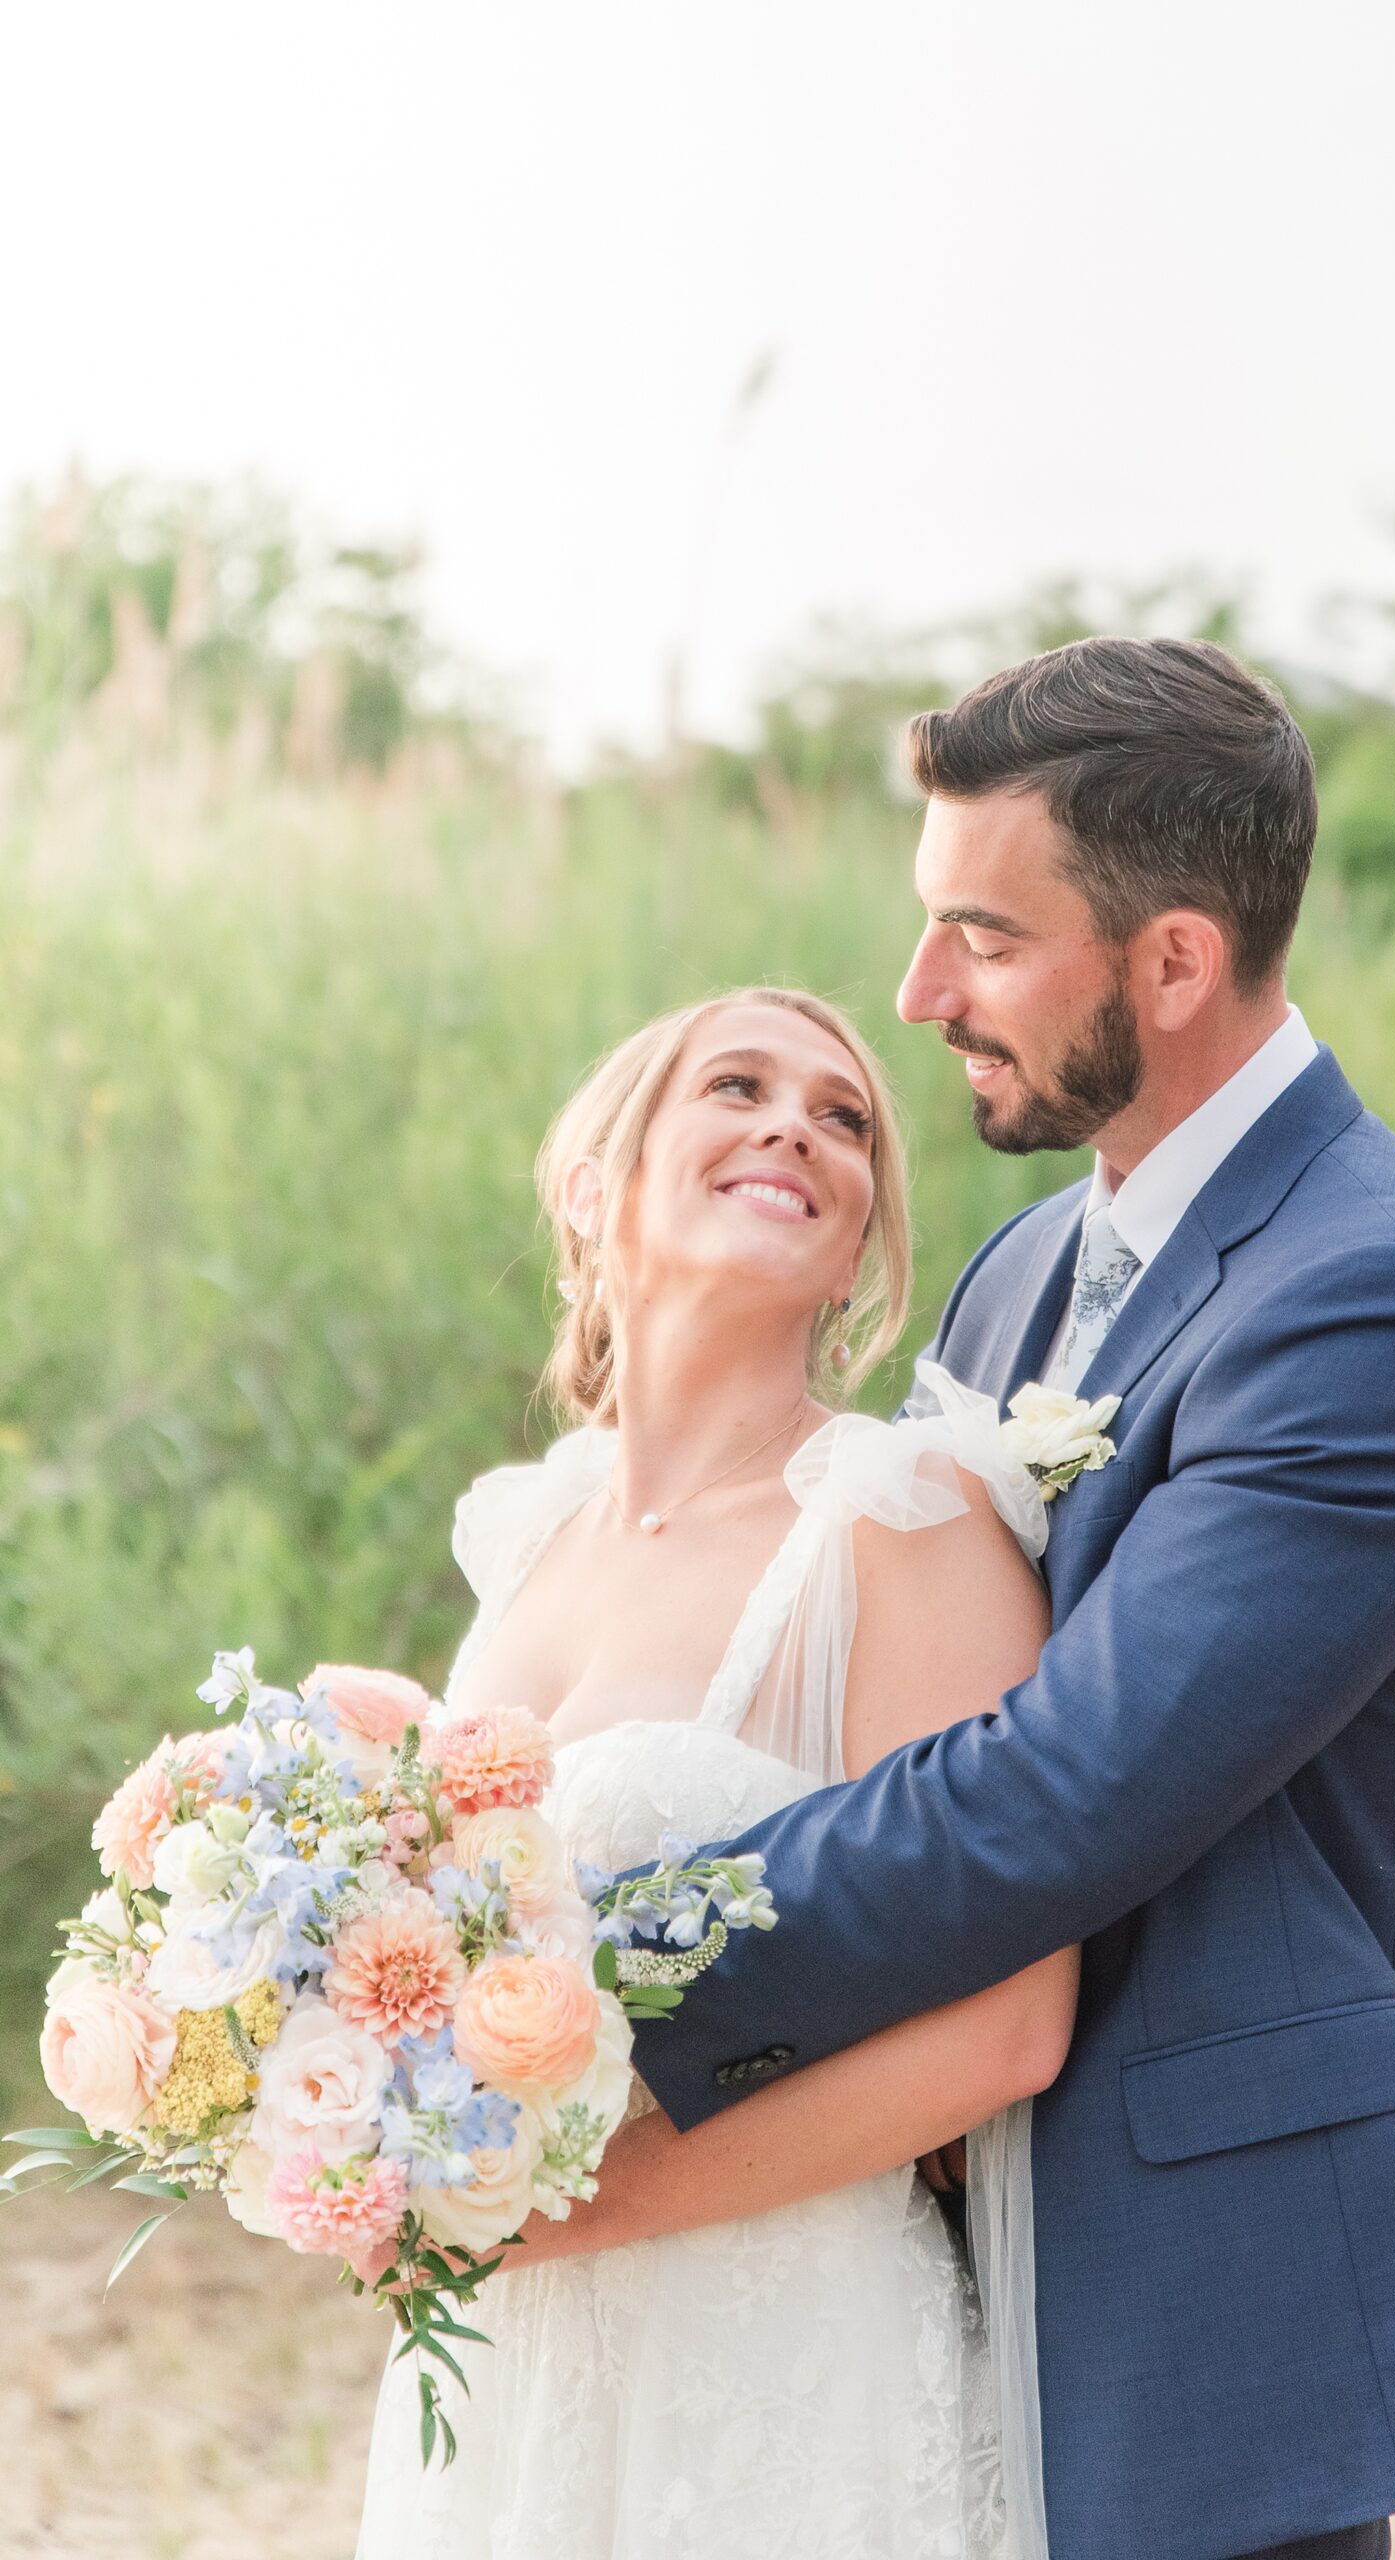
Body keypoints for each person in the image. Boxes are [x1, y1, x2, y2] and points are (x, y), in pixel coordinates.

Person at [622, 639, 1395, 2560]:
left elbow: (1061, 1790)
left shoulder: (1379, 1301)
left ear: (1173, 962)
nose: (919, 999)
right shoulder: (1028, 1262)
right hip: (915, 2241)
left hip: (1188, 2275)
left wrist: (590, 1960)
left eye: (981, 936)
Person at [357, 984, 1077, 2560]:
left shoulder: (900, 1520)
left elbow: (1005, 2029)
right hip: (510, 2372)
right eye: (736, 1086)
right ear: (596, 1180)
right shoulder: (530, 1535)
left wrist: (566, 2214)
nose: (793, 1128)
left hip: (778, 2352)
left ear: (857, 1237)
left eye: (843, 1120)